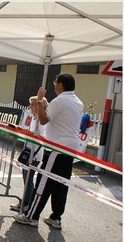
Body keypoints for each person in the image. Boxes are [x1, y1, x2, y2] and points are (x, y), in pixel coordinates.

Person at [14, 72, 83, 229]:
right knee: (61, 183)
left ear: (60, 85)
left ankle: (31, 216)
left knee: (43, 182)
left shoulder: (60, 100)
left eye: (55, 83)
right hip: (70, 147)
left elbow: (44, 120)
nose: (54, 86)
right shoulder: (77, 101)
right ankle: (56, 217)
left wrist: (39, 100)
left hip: (57, 147)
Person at [9, 96, 48, 212]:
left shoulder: (42, 121)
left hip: (35, 154)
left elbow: (43, 138)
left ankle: (26, 204)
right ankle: (25, 202)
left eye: (32, 105)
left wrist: (29, 133)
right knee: (26, 179)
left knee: (28, 179)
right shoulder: (33, 118)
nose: (30, 107)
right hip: (29, 151)